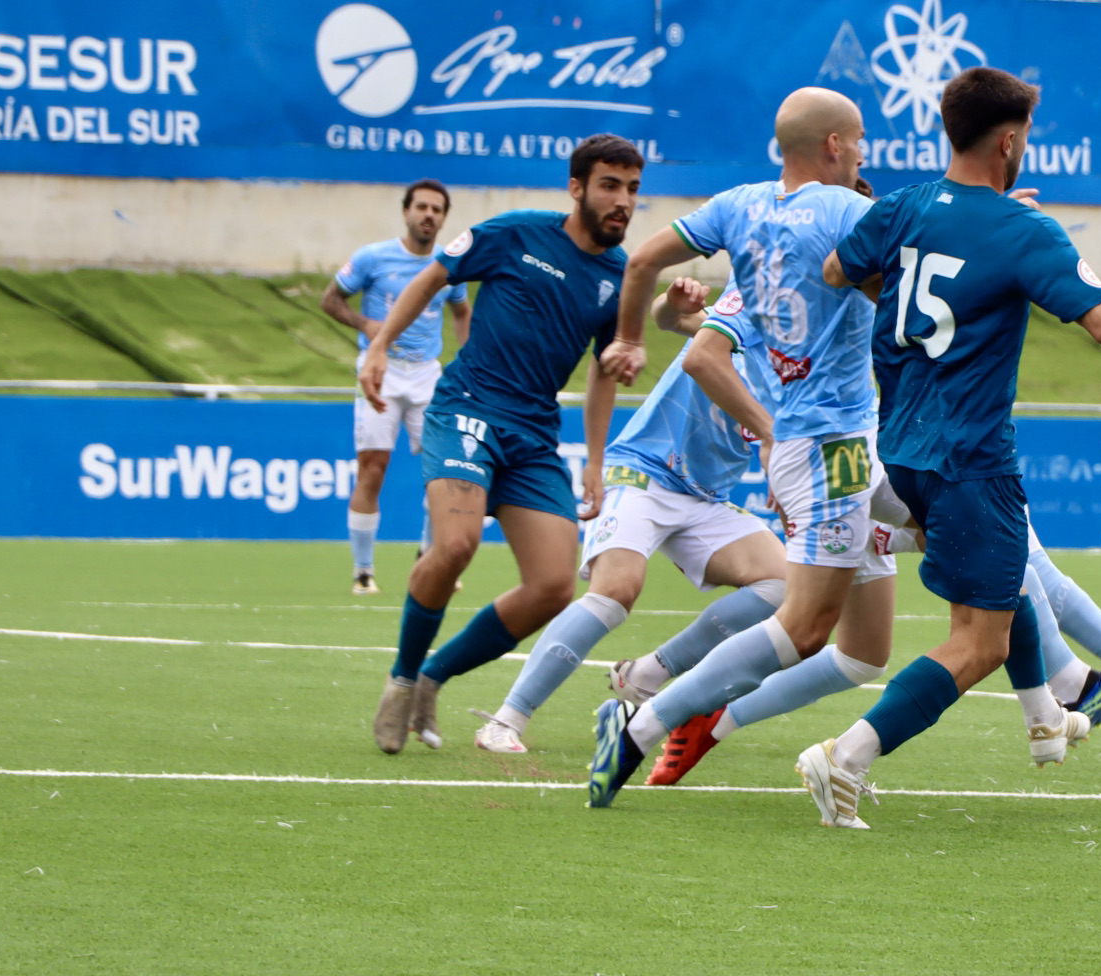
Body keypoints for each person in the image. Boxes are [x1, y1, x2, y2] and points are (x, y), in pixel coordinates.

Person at [798, 66, 1101, 829]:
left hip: (905, 450)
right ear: (1011, 142)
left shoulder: (903, 208)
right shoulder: (1024, 234)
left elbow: (836, 269)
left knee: (1014, 571)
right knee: (977, 642)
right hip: (970, 457)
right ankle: (844, 759)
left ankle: (1050, 718)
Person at [583, 89, 910, 808]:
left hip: (829, 445)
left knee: (871, 645)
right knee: (802, 626)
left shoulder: (738, 205)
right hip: (826, 451)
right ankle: (640, 724)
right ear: (833, 146)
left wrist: (631, 338)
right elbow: (929, 244)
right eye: (857, 140)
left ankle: (1055, 693)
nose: (863, 152)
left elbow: (641, 261)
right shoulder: (847, 210)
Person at [357, 135, 638, 755]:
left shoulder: (621, 276)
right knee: (454, 545)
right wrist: (378, 347)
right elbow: (433, 277)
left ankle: (435, 676)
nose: (623, 201)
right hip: (467, 411)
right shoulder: (514, 234)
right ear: (577, 187)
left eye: (632, 189)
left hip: (535, 434)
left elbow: (602, 369)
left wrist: (594, 457)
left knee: (554, 587)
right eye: (610, 186)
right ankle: (402, 677)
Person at [464, 276, 788, 754]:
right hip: (645, 472)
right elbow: (674, 319)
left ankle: (647, 674)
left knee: (785, 587)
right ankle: (506, 718)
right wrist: (668, 303)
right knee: (616, 591)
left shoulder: (815, 361)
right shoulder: (757, 303)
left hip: (704, 497)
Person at [321, 179, 471, 595]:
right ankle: (363, 571)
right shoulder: (373, 257)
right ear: (406, 212)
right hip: (380, 371)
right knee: (373, 468)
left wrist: (467, 359)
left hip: (427, 374)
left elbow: (461, 311)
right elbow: (330, 300)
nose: (428, 215)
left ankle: (430, 559)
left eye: (437, 210)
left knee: (442, 470)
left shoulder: (449, 265)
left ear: (443, 218)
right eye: (421, 207)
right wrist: (367, 325)